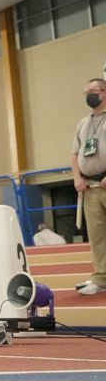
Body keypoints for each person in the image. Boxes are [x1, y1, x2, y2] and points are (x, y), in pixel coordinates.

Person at [73, 78, 106, 295]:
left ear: (104, 92)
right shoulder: (83, 124)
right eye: (86, 92)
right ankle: (101, 278)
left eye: (93, 91)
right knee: (97, 235)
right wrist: (77, 178)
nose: (89, 95)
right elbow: (74, 154)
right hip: (90, 187)